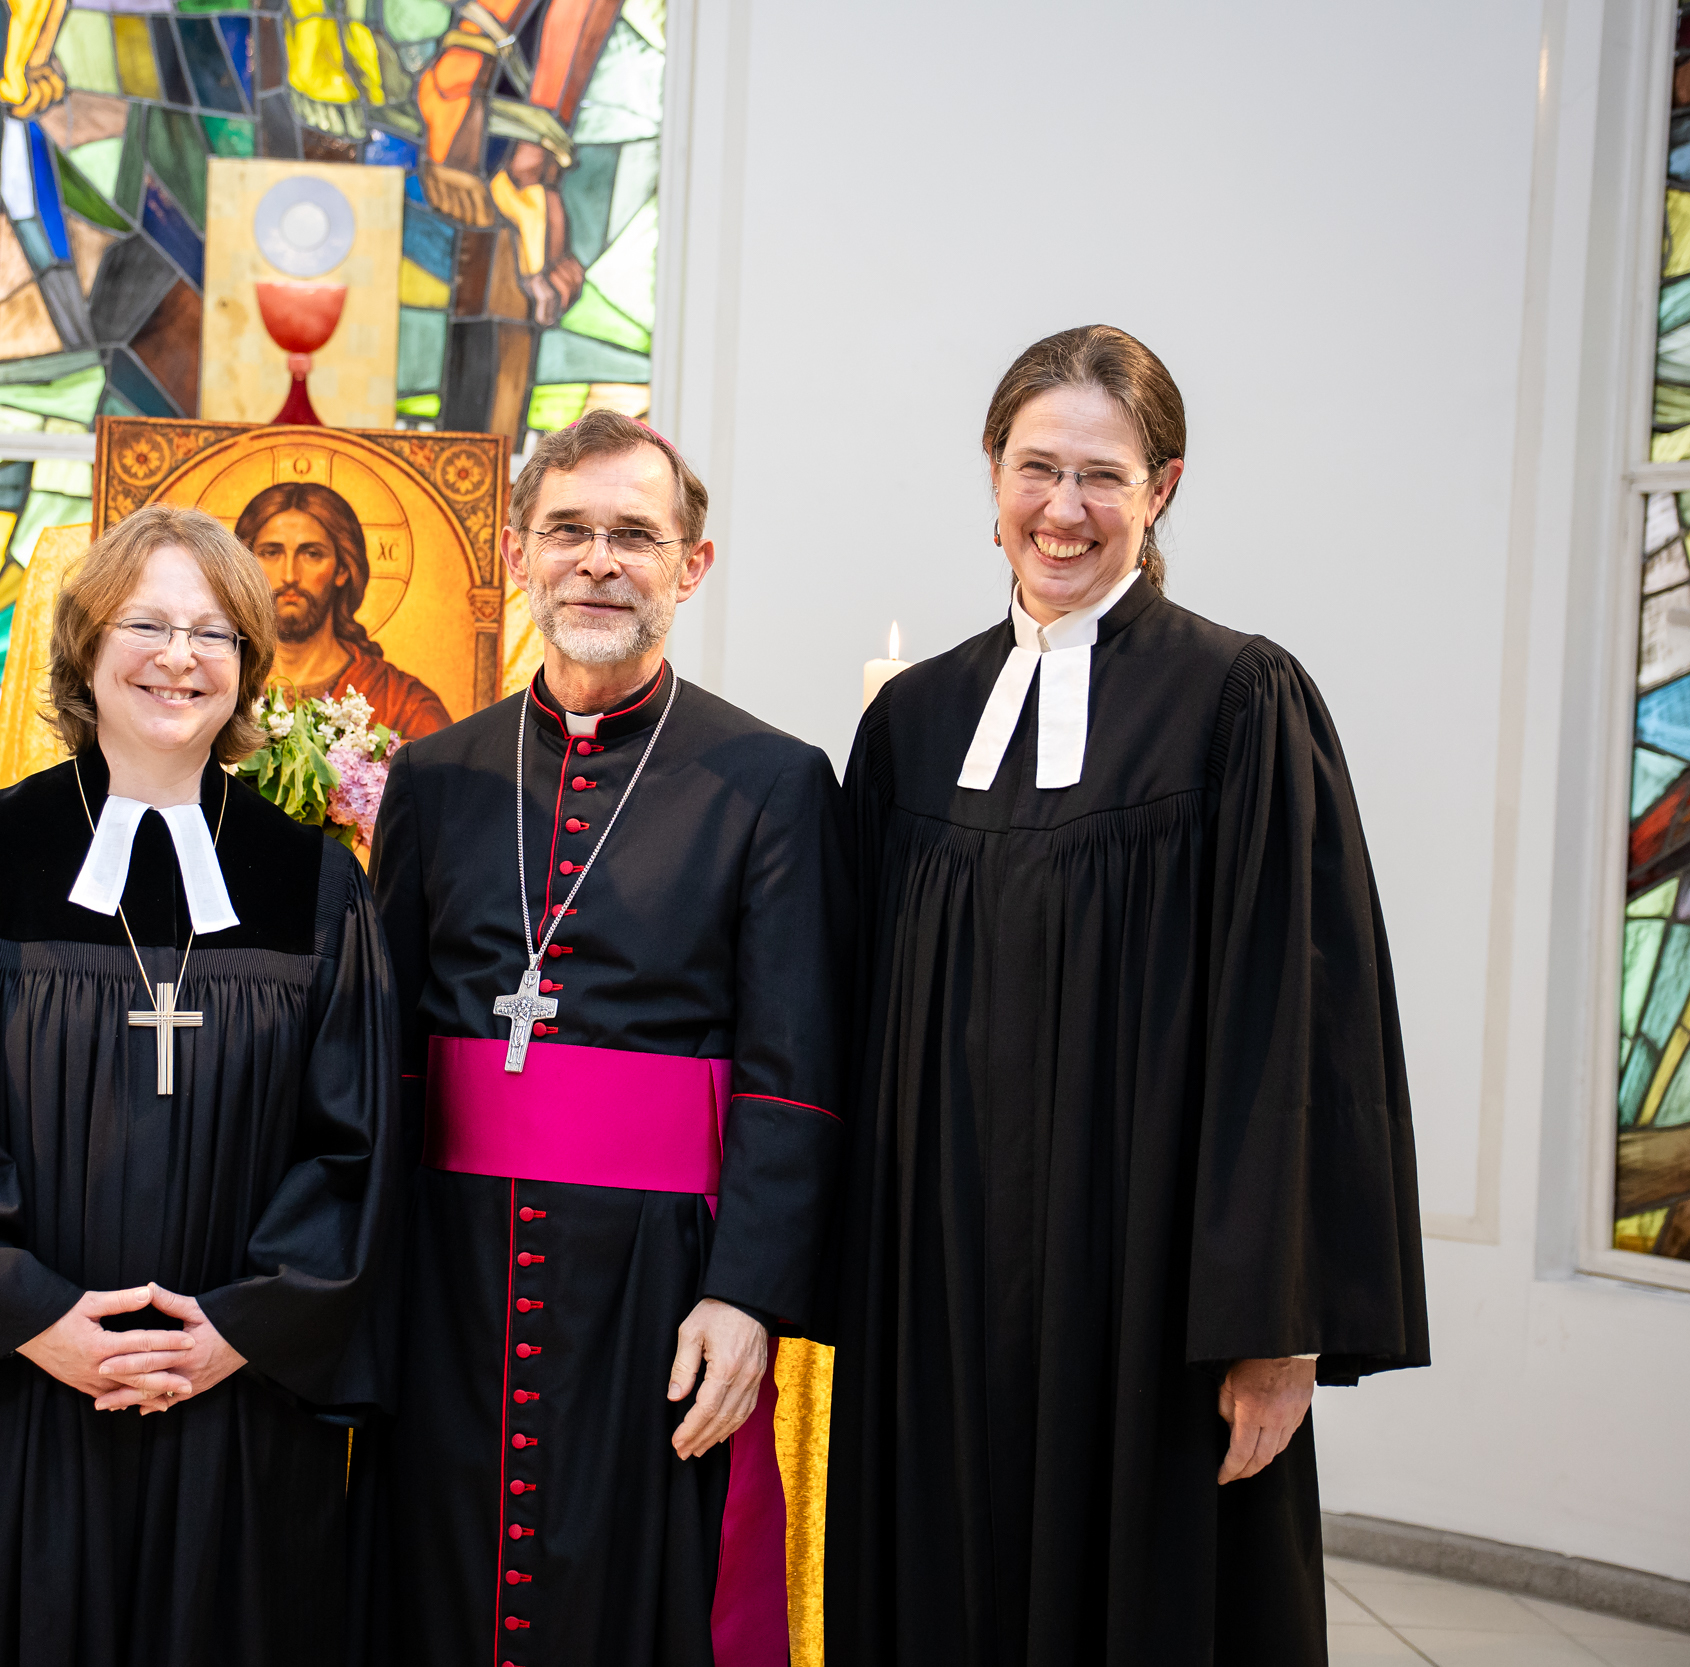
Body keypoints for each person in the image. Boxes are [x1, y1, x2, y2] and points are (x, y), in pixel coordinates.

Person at [823, 325, 1430, 1665]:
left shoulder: (1238, 702)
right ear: (992, 472)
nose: (1064, 508)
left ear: (1161, 490)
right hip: (934, 1297)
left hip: (1152, 1308)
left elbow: (1300, 1031)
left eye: (1102, 475)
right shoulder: (912, 723)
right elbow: (847, 1016)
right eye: (1037, 467)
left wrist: (1278, 1331)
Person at [0, 503, 401, 1667]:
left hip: (229, 1401)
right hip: (11, 1393)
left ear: (247, 664)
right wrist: (38, 1318)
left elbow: (354, 1145)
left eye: (211, 632)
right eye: (145, 623)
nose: (177, 657)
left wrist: (236, 1328)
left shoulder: (314, 885)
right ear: (86, 645)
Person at [363, 411, 851, 1665]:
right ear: (517, 552)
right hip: (452, 1270)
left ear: (691, 565)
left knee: (633, 1588)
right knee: (437, 1575)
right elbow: (385, 1054)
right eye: (568, 529)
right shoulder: (435, 775)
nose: (597, 560)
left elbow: (795, 1072)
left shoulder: (771, 779)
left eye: (634, 534)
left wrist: (745, 1294)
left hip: (658, 1277)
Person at [237, 481, 453, 738]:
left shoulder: (404, 705)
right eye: (271, 553)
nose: (290, 575)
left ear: (342, 569)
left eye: (312, 554)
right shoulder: (223, 685)